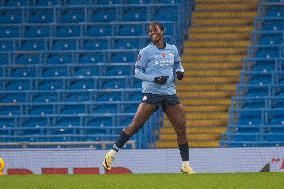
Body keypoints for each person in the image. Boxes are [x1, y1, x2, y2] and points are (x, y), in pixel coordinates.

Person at [103, 22, 195, 174]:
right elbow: (137, 72)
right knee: (136, 125)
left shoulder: (172, 49)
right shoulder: (145, 52)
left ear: (162, 31)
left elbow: (178, 64)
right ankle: (111, 154)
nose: (152, 33)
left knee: (181, 127)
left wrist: (180, 72)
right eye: (150, 31)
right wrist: (153, 78)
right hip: (152, 92)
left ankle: (186, 166)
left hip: (169, 93)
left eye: (155, 30)